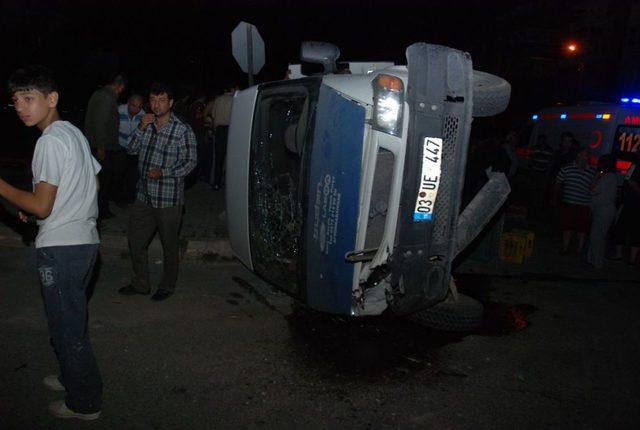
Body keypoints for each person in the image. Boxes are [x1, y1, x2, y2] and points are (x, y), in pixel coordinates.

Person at [1, 65, 102, 420]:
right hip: (84, 242)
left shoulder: (48, 141)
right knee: (69, 320)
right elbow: (87, 181)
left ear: (52, 98)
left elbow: (41, 204)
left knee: (66, 327)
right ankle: (70, 375)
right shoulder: (73, 134)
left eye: (29, 98)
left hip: (62, 249)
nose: (22, 107)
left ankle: (85, 402)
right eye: (16, 101)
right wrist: (41, 209)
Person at [118, 82, 197, 301]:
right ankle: (141, 283)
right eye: (153, 100)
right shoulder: (147, 124)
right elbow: (130, 149)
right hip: (143, 196)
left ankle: (167, 285)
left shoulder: (182, 130)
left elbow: (190, 162)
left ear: (171, 103)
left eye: (162, 99)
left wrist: (164, 172)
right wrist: (141, 128)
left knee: (169, 245)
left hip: (169, 199)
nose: (156, 104)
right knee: (135, 241)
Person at [84, 74, 126, 219]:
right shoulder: (108, 97)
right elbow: (100, 123)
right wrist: (101, 147)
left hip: (96, 144)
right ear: (119, 86)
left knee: (101, 180)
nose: (121, 92)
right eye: (122, 89)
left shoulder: (99, 93)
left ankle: (100, 209)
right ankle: (101, 211)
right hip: (102, 147)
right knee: (104, 181)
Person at [553, 147, 596, 254]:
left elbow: (594, 187)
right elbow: (557, 183)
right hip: (569, 203)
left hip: (584, 205)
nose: (585, 157)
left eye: (587, 155)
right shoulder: (567, 169)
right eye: (584, 154)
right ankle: (565, 248)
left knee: (582, 230)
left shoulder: (592, 171)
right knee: (567, 227)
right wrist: (554, 197)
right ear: (578, 155)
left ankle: (579, 250)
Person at [586, 155, 618, 269]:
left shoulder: (609, 177)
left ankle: (597, 262)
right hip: (601, 209)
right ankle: (591, 259)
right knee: (597, 235)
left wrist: (597, 177)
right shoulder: (606, 176)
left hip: (604, 210)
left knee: (597, 236)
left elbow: (593, 190)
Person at [610, 157, 640, 265]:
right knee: (623, 228)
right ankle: (622, 256)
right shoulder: (635, 164)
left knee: (633, 230)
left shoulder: (635, 164)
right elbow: (628, 182)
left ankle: (630, 258)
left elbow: (630, 182)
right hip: (629, 202)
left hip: (633, 202)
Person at [204, 86, 235, 189]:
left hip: (220, 130)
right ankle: (229, 182)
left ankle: (217, 182)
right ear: (232, 89)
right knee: (231, 158)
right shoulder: (234, 100)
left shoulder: (218, 100)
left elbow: (213, 115)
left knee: (219, 158)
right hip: (231, 130)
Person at [118, 94, 145, 205]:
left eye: (139, 107)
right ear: (128, 103)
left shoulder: (143, 115)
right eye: (133, 105)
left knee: (132, 175)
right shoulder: (119, 110)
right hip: (119, 146)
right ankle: (118, 198)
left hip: (134, 151)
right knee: (119, 174)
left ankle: (129, 198)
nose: (136, 109)